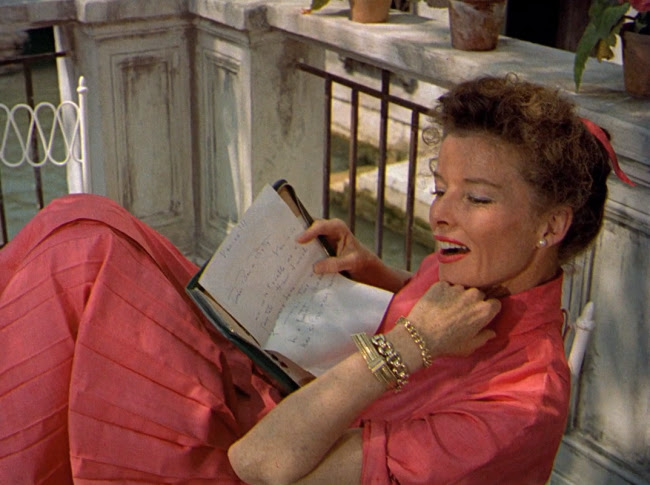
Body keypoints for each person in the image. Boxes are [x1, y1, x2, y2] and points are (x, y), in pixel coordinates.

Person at [0, 75, 628, 484]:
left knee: (81, 264)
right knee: (85, 221)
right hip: (277, 393)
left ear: (552, 225)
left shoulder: (513, 411)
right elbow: (424, 311)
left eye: (478, 198)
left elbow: (258, 464)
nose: (439, 214)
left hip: (250, 454)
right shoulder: (475, 278)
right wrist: (375, 273)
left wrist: (413, 343)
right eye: (440, 188)